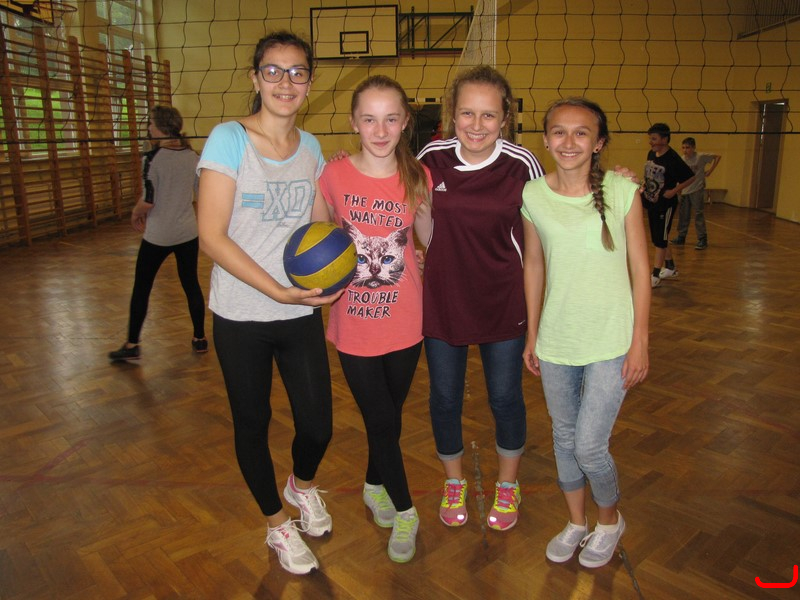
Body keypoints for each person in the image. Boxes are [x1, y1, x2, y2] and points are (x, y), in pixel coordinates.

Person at [196, 31, 340, 576]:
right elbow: (211, 236)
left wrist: (343, 266)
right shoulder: (228, 139)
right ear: (255, 79)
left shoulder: (312, 148)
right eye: (273, 71)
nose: (285, 82)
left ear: (309, 83)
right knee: (252, 422)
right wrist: (275, 289)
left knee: (318, 426)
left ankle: (301, 485)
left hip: (298, 311)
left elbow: (322, 227)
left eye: (297, 72)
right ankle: (277, 523)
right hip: (241, 314)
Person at [521, 97, 651, 568]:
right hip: (557, 339)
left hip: (612, 341)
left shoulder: (622, 190)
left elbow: (641, 269)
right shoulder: (533, 195)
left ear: (599, 143)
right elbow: (533, 265)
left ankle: (609, 522)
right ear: (545, 139)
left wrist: (641, 341)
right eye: (559, 131)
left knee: (590, 445)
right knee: (563, 437)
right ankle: (577, 522)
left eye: (582, 133)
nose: (569, 141)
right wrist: (532, 334)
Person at [415, 65, 545, 531]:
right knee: (444, 398)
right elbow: (405, 205)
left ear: (505, 118)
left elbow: (552, 220)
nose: (476, 124)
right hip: (445, 299)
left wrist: (613, 181)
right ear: (452, 114)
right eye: (467, 113)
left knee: (505, 397)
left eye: (488, 115)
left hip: (502, 299)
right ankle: (454, 482)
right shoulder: (430, 157)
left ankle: (508, 485)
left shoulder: (522, 164)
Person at [317, 75, 431, 563]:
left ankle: (372, 483)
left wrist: (424, 245)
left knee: (388, 418)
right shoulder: (333, 175)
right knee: (380, 419)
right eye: (369, 119)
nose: (380, 130)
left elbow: (429, 236)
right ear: (353, 123)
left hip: (406, 320)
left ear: (405, 122)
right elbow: (318, 239)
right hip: (354, 322)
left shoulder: (418, 176)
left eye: (390, 119)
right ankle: (406, 511)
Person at [108, 105, 207, 361]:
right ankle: (200, 338)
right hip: (187, 232)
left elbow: (148, 200)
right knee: (191, 284)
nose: (148, 127)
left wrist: (135, 213)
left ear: (161, 126)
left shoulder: (152, 158)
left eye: (150, 123)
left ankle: (132, 345)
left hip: (159, 236)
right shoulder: (192, 156)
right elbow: (201, 193)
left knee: (142, 288)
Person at [642, 123, 695, 288]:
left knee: (661, 240)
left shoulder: (673, 159)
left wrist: (674, 191)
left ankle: (655, 274)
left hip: (665, 204)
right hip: (652, 201)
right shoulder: (652, 153)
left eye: (654, 139)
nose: (651, 142)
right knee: (659, 237)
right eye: (650, 138)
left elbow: (691, 177)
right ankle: (670, 267)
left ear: (664, 139)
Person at [671, 137, 721, 250]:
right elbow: (679, 174)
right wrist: (678, 188)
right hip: (685, 190)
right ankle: (681, 237)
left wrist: (710, 171)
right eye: (683, 148)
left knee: (698, 214)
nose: (685, 150)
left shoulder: (700, 157)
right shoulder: (682, 159)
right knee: (684, 215)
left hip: (697, 189)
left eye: (688, 147)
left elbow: (717, 157)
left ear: (693, 148)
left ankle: (702, 239)